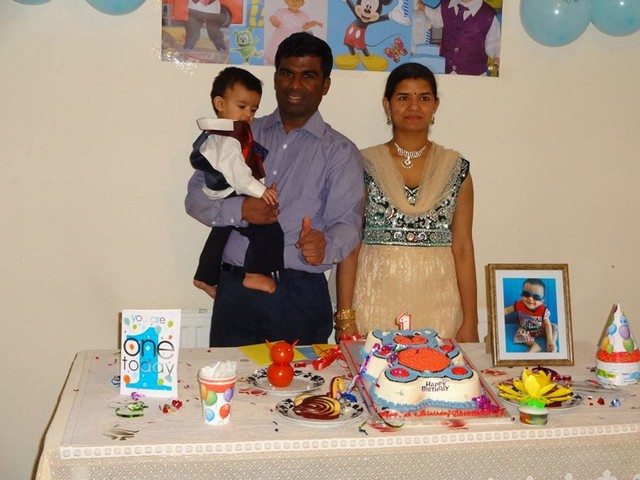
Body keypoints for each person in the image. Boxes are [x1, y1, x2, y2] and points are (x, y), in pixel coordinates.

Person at [185, 32, 364, 347]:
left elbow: (349, 224)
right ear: (276, 77)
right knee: (228, 380)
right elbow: (196, 197)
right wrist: (240, 210)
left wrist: (326, 246)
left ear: (325, 85)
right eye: (287, 73)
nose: (295, 85)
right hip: (235, 292)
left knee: (303, 382)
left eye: (308, 75)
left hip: (300, 296)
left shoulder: (340, 152)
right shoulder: (238, 133)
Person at [335, 62, 479, 342]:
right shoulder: (363, 165)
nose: (414, 107)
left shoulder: (455, 168)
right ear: (387, 105)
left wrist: (471, 322)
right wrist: (345, 318)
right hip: (374, 302)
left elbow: (463, 248)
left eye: (423, 98)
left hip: (440, 306)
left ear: (435, 105)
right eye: (403, 98)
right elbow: (350, 245)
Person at [190, 67, 284, 299]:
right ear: (220, 103)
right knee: (269, 229)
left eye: (253, 109)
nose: (248, 115)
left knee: (221, 232)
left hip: (221, 190)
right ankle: (254, 273)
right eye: (241, 107)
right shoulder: (230, 138)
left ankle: (204, 276)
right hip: (230, 189)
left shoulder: (219, 132)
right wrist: (261, 191)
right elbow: (239, 175)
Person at [422, 0, 501, 76]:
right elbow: (437, 19)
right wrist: (423, 8)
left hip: (475, 75)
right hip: (446, 71)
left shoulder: (488, 15)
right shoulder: (447, 5)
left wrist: (497, 55)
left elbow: (494, 42)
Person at [505, 279, 558, 353]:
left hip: (541, 330)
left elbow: (547, 324)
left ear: (541, 302)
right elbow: (507, 310)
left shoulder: (543, 310)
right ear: (521, 295)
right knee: (520, 333)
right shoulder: (519, 305)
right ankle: (534, 345)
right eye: (526, 294)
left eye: (536, 297)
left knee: (554, 327)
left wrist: (549, 340)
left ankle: (551, 345)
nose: (530, 298)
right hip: (526, 330)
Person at [264, 0, 323, 65]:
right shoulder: (282, 12)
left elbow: (304, 26)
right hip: (282, 37)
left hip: (297, 38)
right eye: (292, 0)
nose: (295, 2)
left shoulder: (303, 14)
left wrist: (312, 23)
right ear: (286, 1)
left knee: (296, 51)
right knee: (282, 50)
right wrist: (273, 19)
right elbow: (276, 23)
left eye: (298, 0)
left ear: (302, 3)